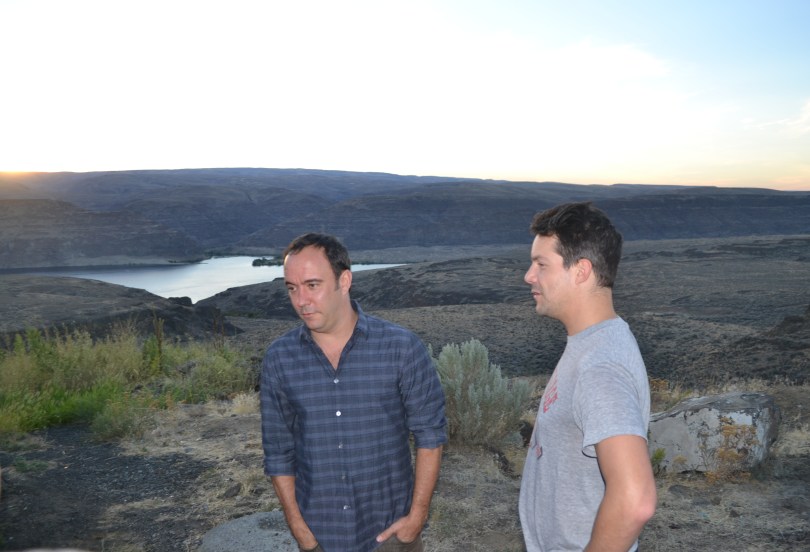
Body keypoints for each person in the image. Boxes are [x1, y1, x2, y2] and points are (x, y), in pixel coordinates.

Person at [260, 232, 447, 552]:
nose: (301, 300)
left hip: (390, 534)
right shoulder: (280, 359)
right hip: (320, 536)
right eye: (292, 288)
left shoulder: (400, 348)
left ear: (344, 280)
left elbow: (430, 435)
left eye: (312, 285)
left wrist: (416, 517)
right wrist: (299, 529)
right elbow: (278, 452)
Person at [519, 202, 657, 551]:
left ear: (581, 271)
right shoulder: (591, 343)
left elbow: (636, 499)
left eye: (541, 264)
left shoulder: (599, 366)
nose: (529, 276)